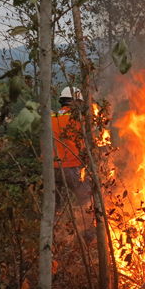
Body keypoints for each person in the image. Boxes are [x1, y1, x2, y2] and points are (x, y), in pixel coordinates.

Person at [52, 86, 92, 219]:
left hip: (51, 168)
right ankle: (89, 235)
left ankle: (54, 236)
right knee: (87, 199)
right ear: (74, 102)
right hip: (71, 166)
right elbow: (84, 144)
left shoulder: (51, 117)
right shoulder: (77, 119)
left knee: (53, 206)